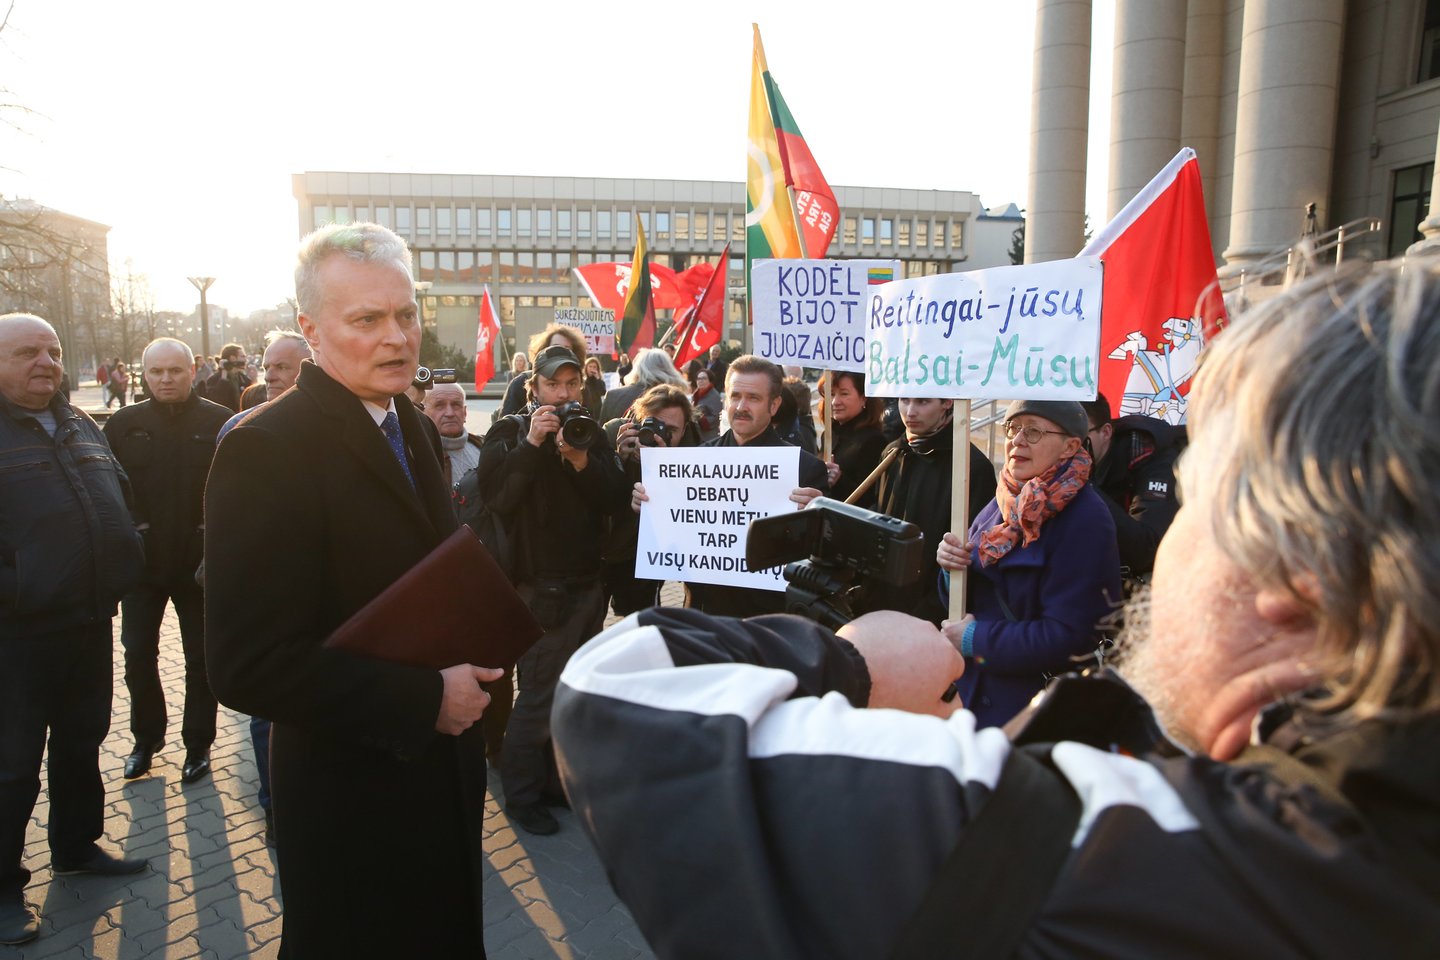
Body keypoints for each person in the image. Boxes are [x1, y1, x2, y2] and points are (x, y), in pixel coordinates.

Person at [550, 261, 1440, 958]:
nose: (1166, 549)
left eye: (1199, 504)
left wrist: (853, 665)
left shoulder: (1093, 847)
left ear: (1301, 577)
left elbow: (615, 692)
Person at [205, 222, 503, 957]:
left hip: (440, 782)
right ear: (310, 328)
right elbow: (247, 665)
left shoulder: (407, 418)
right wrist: (425, 700)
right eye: (366, 320)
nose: (397, 337)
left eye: (406, 314)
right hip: (353, 800)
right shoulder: (264, 449)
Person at [0, 314, 147, 946]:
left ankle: (76, 845)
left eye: (54, 350)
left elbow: (117, 493)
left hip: (88, 618)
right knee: (10, 766)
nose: (47, 362)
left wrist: (127, 553)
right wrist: (19, 589)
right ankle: (3, 889)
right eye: (28, 351)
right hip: (17, 635)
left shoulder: (81, 421)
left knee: (83, 739)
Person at [476, 342, 627, 836]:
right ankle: (521, 795)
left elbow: (614, 498)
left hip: (588, 587)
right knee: (538, 695)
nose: (562, 394)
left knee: (570, 694)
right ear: (532, 387)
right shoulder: (509, 431)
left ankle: (553, 783)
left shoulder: (588, 433)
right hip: (540, 590)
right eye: (552, 385)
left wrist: (581, 459)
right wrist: (533, 445)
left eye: (570, 384)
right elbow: (498, 499)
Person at [935, 400, 1120, 728]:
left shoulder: (1086, 518)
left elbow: (1070, 636)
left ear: (1070, 447)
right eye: (1012, 428)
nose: (1017, 440)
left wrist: (974, 639)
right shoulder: (1004, 499)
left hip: (1032, 712)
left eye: (1033, 431)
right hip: (973, 696)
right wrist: (952, 571)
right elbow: (971, 598)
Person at [104, 338, 232, 784]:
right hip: (143, 568)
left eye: (174, 370)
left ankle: (198, 745)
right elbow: (108, 488)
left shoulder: (219, 422)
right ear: (144, 375)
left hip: (198, 568)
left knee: (201, 659)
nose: (165, 379)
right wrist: (133, 527)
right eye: (156, 372)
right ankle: (145, 739)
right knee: (138, 654)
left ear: (192, 370)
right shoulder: (123, 423)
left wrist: (209, 533)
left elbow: (233, 490)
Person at [632, 355, 829, 618]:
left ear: (774, 405)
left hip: (768, 621)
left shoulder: (804, 469)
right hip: (704, 614)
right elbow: (669, 543)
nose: (741, 406)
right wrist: (649, 508)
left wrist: (817, 520)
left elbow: (820, 560)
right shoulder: (694, 462)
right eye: (735, 396)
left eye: (754, 398)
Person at [859, 397, 996, 625]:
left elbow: (971, 557)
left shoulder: (971, 467)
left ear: (947, 402)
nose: (910, 412)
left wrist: (927, 613)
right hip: (879, 606)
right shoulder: (892, 453)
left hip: (928, 616)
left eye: (922, 402)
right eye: (905, 400)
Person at [603, 384, 697, 615]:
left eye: (670, 430)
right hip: (604, 553)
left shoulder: (692, 454)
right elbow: (594, 492)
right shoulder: (614, 433)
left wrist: (666, 470)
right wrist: (618, 459)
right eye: (652, 425)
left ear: (685, 430)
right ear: (639, 419)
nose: (657, 436)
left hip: (644, 560)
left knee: (638, 622)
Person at [1080, 391, 1182, 583]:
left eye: (1078, 437)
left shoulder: (1148, 455)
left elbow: (1147, 550)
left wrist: (1084, 487)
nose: (1069, 447)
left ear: (1106, 432)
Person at [816, 371, 886, 505]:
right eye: (831, 394)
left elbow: (872, 498)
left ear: (863, 398)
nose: (835, 402)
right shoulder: (829, 434)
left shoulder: (873, 440)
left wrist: (839, 480)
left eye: (844, 394)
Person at [499, 323, 587, 418]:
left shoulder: (583, 388)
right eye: (552, 384)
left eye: (571, 384)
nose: (564, 394)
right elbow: (504, 426)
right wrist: (530, 431)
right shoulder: (520, 383)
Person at [599, 347, 688, 422]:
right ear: (669, 369)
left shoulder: (613, 396)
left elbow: (601, 438)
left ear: (638, 369)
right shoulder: (678, 399)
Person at [198, 342, 251, 413]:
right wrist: (224, 375)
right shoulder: (214, 379)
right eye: (242, 356)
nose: (245, 360)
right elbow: (217, 400)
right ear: (232, 358)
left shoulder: (244, 379)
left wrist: (254, 380)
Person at [691, 368, 722, 443]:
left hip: (709, 437)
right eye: (698, 379)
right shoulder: (696, 394)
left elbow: (716, 417)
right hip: (696, 435)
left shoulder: (715, 396)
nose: (700, 381)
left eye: (704, 378)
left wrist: (700, 418)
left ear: (710, 380)